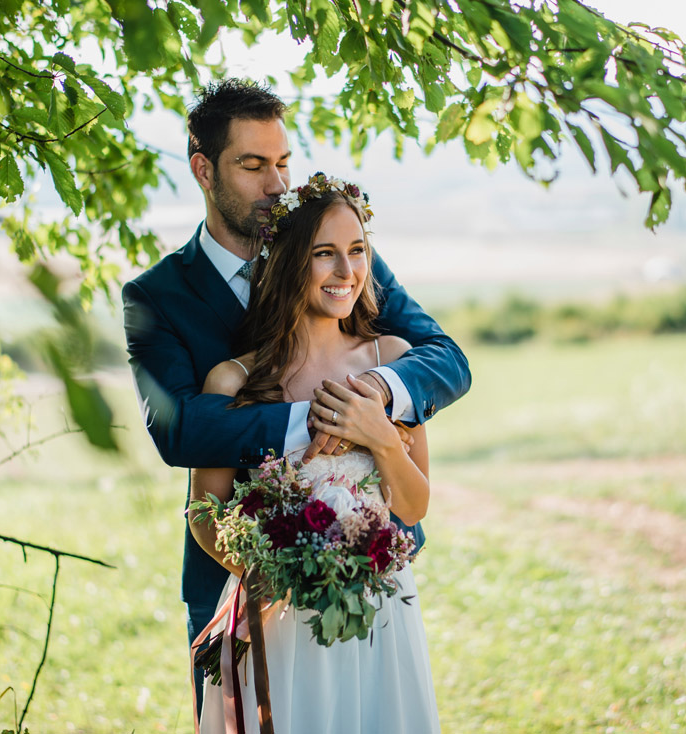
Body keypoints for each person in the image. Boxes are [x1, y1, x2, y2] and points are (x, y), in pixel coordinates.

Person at [121, 79, 470, 719]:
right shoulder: (157, 297)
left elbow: (444, 359)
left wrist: (378, 398)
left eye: (282, 162)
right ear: (204, 170)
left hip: (374, 585)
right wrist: (317, 419)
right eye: (253, 166)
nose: (277, 185)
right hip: (241, 586)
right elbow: (179, 429)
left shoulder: (343, 257)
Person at [190, 175, 440, 733]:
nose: (346, 272)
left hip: (379, 610)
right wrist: (277, 574)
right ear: (285, 262)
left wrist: (378, 434)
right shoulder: (232, 381)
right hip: (278, 615)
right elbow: (204, 517)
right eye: (324, 254)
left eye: (357, 252)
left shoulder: (394, 361)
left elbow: (417, 505)